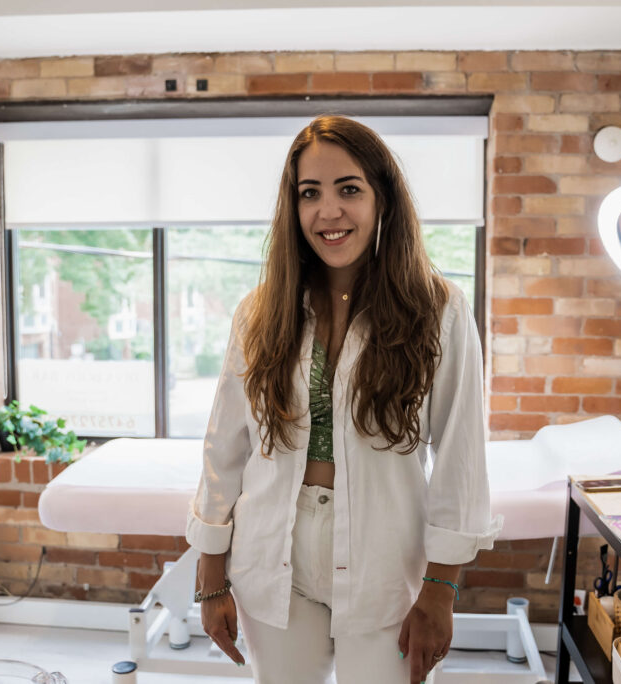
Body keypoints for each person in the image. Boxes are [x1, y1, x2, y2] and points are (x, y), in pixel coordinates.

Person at [186, 115, 501, 684]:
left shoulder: (440, 309)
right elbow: (225, 448)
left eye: (348, 189)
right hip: (272, 554)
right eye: (310, 194)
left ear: (382, 197)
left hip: (384, 561)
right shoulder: (259, 312)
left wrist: (441, 590)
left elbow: (460, 460)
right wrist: (211, 575)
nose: (328, 212)